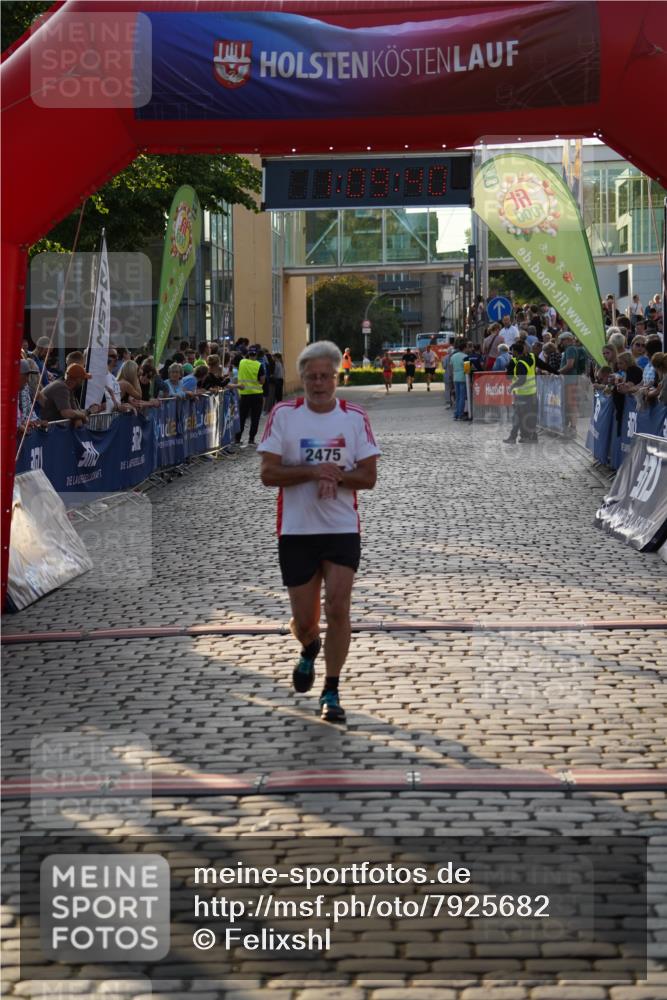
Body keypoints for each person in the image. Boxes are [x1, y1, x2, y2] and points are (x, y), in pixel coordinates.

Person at [257, 340, 380, 724]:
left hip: (341, 527)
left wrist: (338, 477)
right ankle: (309, 648)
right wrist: (314, 471)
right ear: (303, 378)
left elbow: (369, 477)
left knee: (339, 609)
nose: (319, 383)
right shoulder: (284, 414)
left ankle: (332, 688)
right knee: (306, 622)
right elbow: (268, 473)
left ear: (336, 378)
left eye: (326, 376)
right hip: (297, 530)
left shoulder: (354, 417)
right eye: (311, 377)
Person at [503, 340, 537, 443]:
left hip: (524, 394)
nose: (511, 353)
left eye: (512, 351)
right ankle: (526, 437)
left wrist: (512, 385)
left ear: (517, 352)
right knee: (524, 416)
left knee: (519, 417)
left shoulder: (520, 363)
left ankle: (516, 437)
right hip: (527, 393)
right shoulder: (529, 358)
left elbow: (521, 379)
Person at [236, 347, 265, 446]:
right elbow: (262, 381)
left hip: (244, 394)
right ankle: (251, 439)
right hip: (257, 395)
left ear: (248, 354)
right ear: (256, 355)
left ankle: (237, 438)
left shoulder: (242, 362)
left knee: (242, 417)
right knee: (255, 418)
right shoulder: (259, 365)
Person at [557, 331, 579, 434]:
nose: (561, 343)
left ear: (567, 340)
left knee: (571, 403)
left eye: (562, 340)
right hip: (569, 379)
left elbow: (570, 365)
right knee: (569, 403)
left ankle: (573, 427)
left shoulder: (570, 349)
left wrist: (558, 372)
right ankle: (571, 426)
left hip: (570, 379)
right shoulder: (569, 349)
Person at [450, 338, 468, 420]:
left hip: (455, 378)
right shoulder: (465, 356)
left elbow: (451, 367)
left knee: (457, 397)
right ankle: (460, 414)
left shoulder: (453, 356)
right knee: (462, 397)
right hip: (463, 378)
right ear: (464, 348)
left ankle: (456, 413)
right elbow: (467, 370)